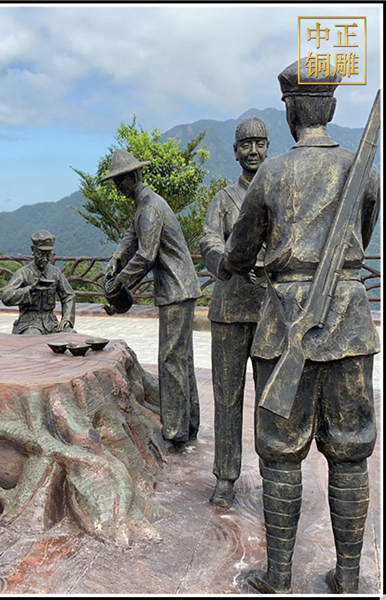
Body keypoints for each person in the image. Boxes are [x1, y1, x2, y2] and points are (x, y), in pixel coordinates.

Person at [220, 61, 380, 594]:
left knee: (280, 452)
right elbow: (363, 230)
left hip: (284, 317)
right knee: (351, 450)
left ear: (290, 111)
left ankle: (280, 574)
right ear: (329, 107)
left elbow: (240, 251)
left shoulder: (271, 173)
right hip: (350, 318)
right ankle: (349, 575)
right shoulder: (361, 167)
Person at [101, 150, 201, 451]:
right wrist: (116, 258)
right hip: (180, 289)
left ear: (133, 177)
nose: (118, 187)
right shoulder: (144, 205)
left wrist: (120, 282)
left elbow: (146, 254)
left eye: (120, 181)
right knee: (181, 358)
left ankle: (175, 431)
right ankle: (188, 424)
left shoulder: (150, 208)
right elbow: (130, 237)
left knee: (171, 360)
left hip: (176, 289)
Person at [200, 116, 270, 507]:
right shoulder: (223, 199)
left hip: (269, 311)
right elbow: (209, 240)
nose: (253, 151)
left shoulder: (277, 195)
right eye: (246, 144)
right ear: (235, 151)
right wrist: (225, 261)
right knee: (227, 397)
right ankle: (225, 476)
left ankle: (272, 473)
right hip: (228, 310)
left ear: (268, 147)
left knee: (269, 400)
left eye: (260, 143)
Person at [1, 230, 76, 335]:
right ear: (33, 250)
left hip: (51, 323)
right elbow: (6, 296)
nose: (45, 259)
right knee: (34, 337)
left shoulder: (55, 273)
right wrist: (30, 291)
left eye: (48, 254)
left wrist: (67, 319)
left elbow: (69, 296)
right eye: (41, 254)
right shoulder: (23, 273)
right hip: (28, 323)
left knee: (70, 335)